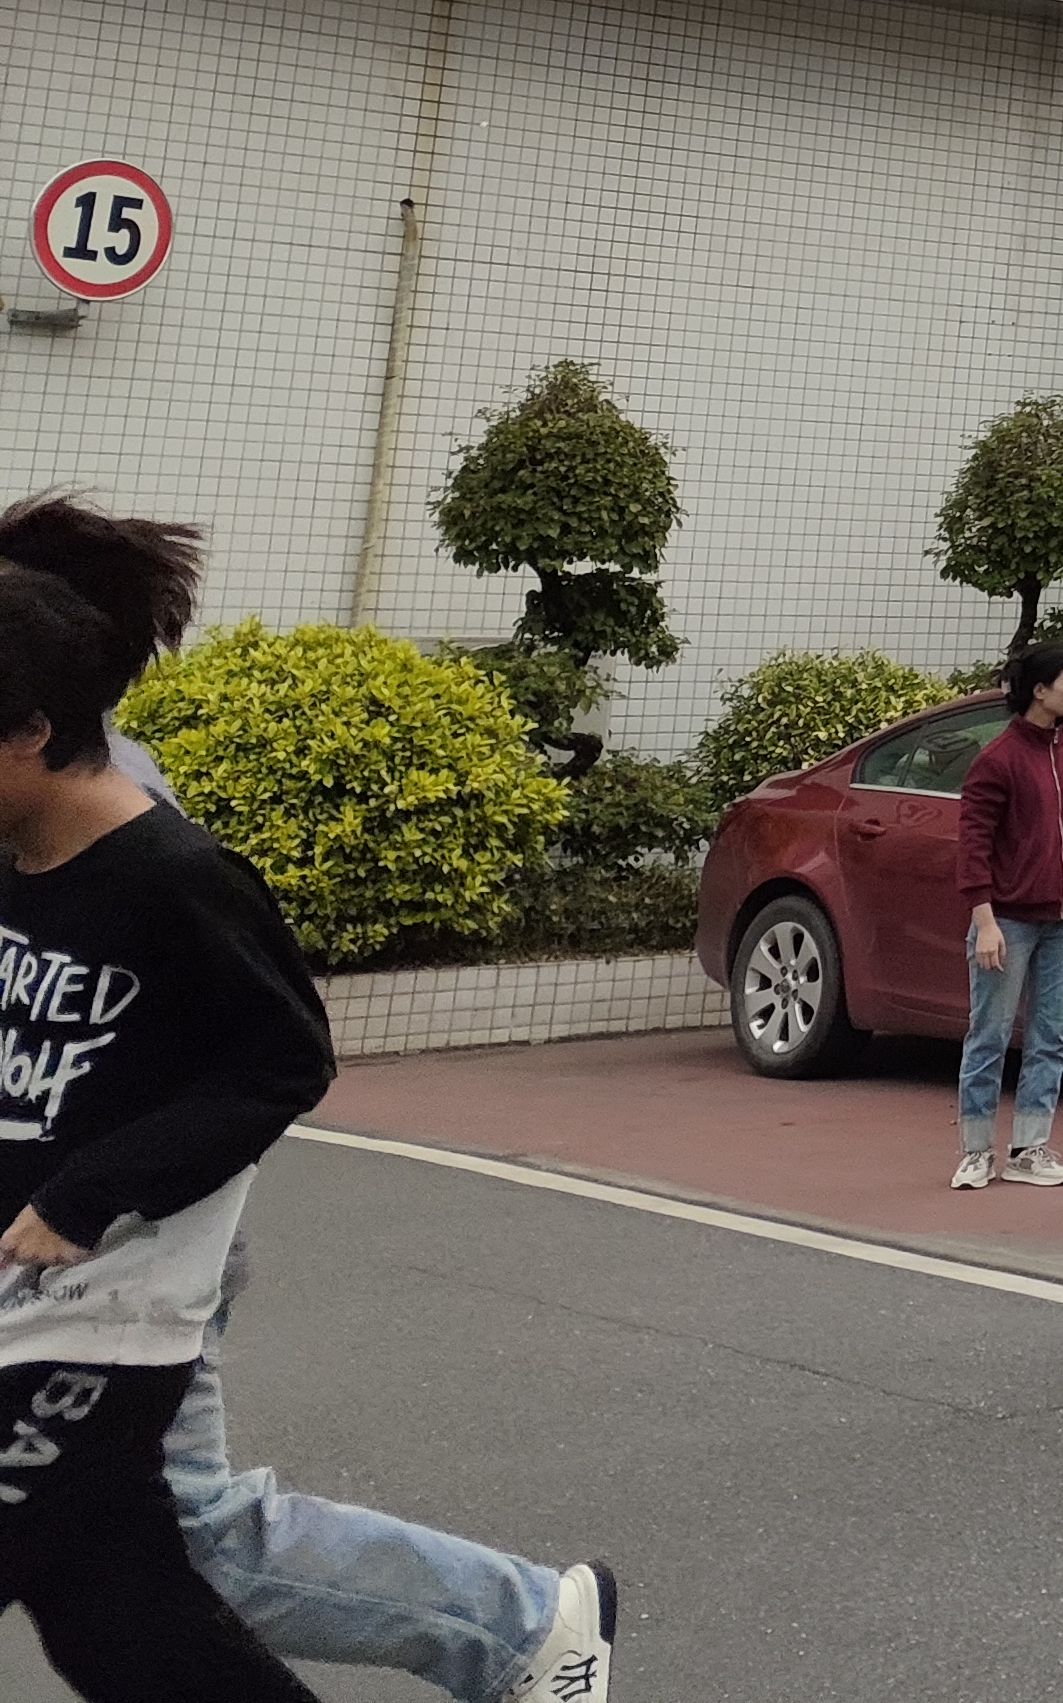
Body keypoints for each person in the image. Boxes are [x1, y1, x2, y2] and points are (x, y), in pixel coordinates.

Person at [0, 495, 616, 1703]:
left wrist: (90, 1196)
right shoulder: (29, 834)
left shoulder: (149, 850)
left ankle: (530, 1623)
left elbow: (275, 1058)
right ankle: (532, 1621)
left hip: (116, 1271)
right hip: (56, 1265)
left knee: (139, 1561)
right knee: (148, 1566)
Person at [0, 562, 338, 1698]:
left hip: (104, 1314)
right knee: (115, 1609)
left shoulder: (176, 878)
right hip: (22, 1307)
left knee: (108, 1590)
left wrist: (84, 1196)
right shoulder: (14, 861)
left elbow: (285, 1056)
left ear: (34, 731)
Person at [953, 637, 1063, 1190]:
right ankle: (975, 1150)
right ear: (1040, 691)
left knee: (1051, 1035)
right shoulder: (997, 759)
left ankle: (1029, 1147)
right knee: (989, 1033)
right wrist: (984, 921)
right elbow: (973, 846)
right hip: (1009, 919)